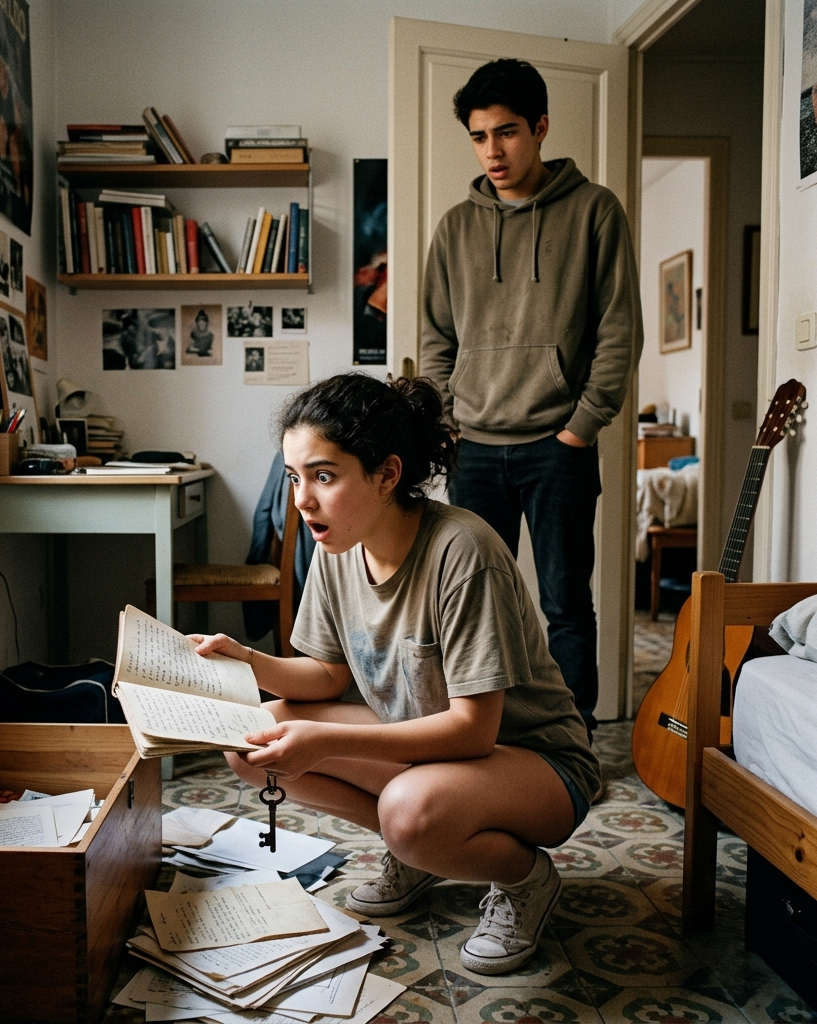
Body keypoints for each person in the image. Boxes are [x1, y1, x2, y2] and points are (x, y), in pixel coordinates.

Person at [193, 373, 599, 976]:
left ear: (387, 475)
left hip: (535, 763)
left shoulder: (463, 551)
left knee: (408, 813)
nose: (302, 501)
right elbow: (326, 675)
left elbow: (472, 732)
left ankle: (524, 879)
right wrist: (247, 662)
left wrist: (326, 740)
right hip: (430, 750)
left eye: (324, 476)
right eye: (295, 477)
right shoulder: (337, 546)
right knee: (253, 739)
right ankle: (420, 851)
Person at [420, 59, 643, 739]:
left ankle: (573, 749)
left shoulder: (594, 211)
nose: (494, 150)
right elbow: (435, 338)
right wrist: (446, 427)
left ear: (541, 128)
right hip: (476, 451)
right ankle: (479, 735)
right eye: (480, 136)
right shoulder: (456, 227)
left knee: (567, 606)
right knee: (470, 603)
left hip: (558, 449)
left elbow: (618, 330)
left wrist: (581, 426)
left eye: (508, 133)